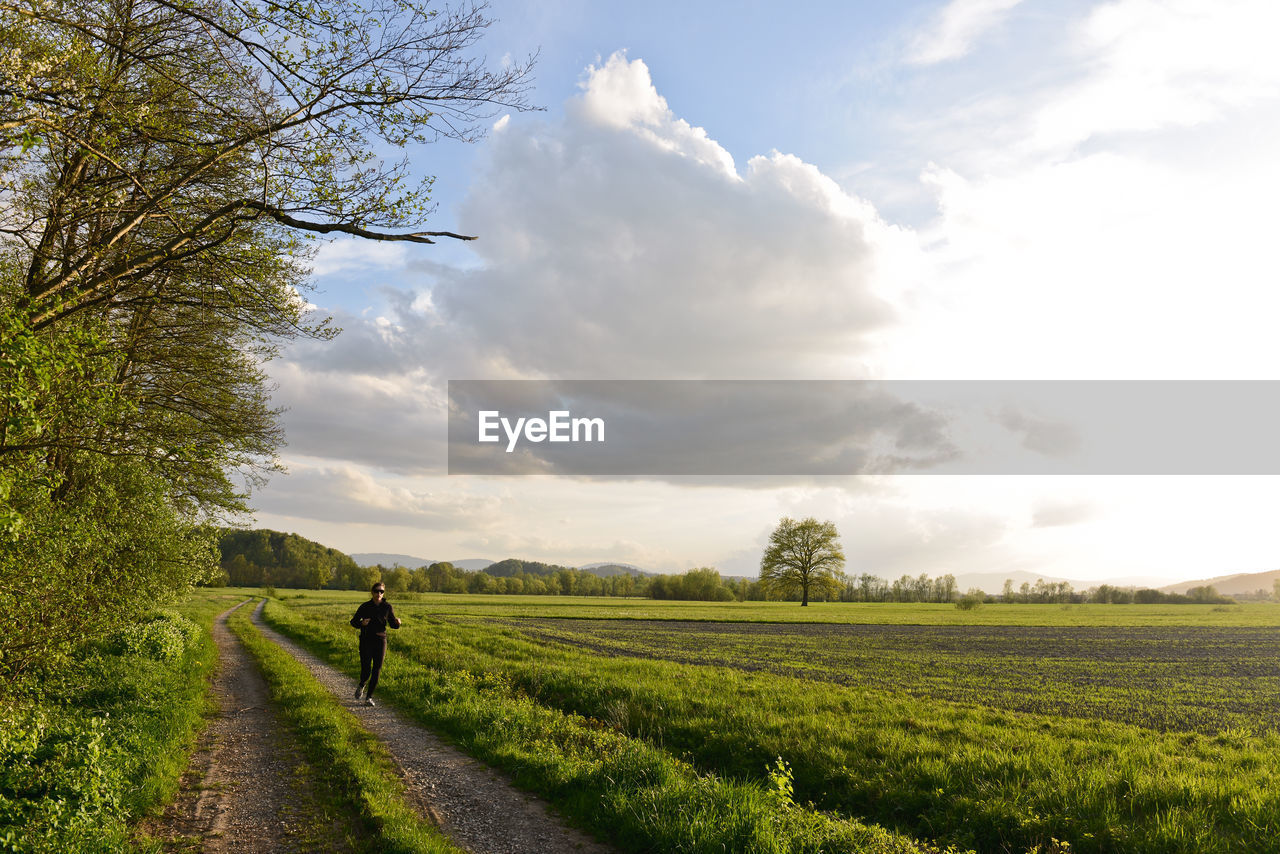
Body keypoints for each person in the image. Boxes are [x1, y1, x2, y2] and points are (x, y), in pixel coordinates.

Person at [349, 582, 401, 706]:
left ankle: (369, 698)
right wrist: (362, 623)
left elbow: (393, 625)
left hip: (381, 640)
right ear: (372, 592)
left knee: (377, 669)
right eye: (377, 591)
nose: (379, 594)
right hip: (366, 640)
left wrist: (398, 623)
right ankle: (362, 684)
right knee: (366, 669)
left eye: (381, 591)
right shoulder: (365, 606)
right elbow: (353, 622)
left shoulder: (387, 607)